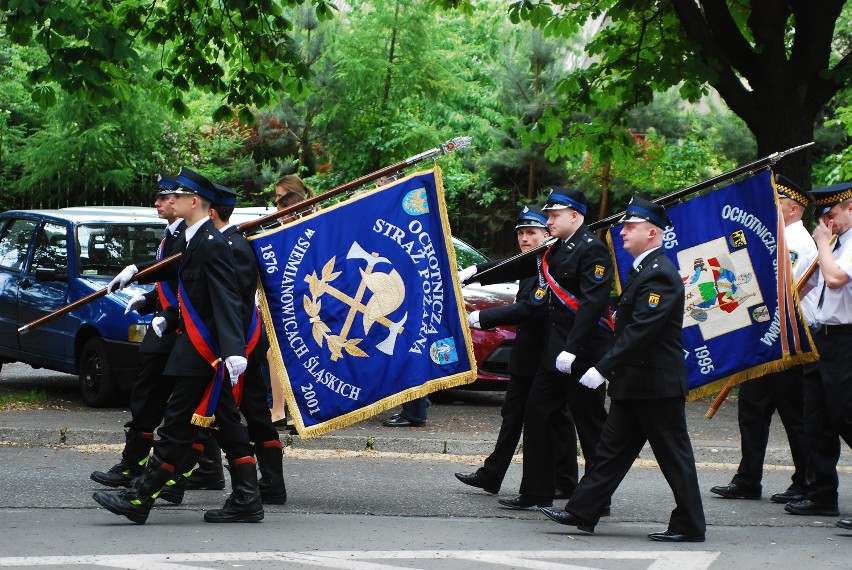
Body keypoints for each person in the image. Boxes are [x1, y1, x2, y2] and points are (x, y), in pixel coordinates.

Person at [92, 167, 262, 524]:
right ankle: (247, 498)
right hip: (197, 347)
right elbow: (177, 269)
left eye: (178, 196)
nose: (170, 200)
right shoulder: (195, 238)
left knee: (176, 425)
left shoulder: (213, 244)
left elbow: (227, 299)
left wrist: (232, 349)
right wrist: (136, 271)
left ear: (194, 201)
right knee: (226, 423)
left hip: (203, 351)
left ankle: (141, 498)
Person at [540, 196, 706, 542]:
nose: (623, 232)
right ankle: (582, 511)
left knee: (674, 457)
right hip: (635, 382)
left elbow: (640, 331)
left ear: (651, 233)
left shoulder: (660, 274)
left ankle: (690, 523)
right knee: (610, 452)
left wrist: (602, 368)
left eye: (631, 227)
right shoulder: (643, 271)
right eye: (625, 226)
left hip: (656, 384)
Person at [468, 187, 612, 510]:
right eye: (548, 215)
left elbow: (591, 305)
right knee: (537, 414)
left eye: (554, 215)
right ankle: (535, 491)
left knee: (590, 428)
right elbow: (518, 266)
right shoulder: (556, 250)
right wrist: (477, 274)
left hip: (582, 354)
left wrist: (573, 349)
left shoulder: (593, 251)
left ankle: (598, 496)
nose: (549, 219)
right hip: (554, 354)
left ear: (575, 216)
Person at [454, 206, 578, 496]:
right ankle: (492, 474)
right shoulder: (532, 264)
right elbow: (505, 267)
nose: (524, 238)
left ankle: (564, 481)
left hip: (545, 357)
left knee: (557, 419)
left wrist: (481, 318)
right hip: (526, 356)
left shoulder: (549, 265)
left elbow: (531, 308)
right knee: (513, 415)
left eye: (531, 233)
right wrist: (471, 273)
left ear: (546, 235)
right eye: (521, 233)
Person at [89, 174, 201, 488]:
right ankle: (191, 469)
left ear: (184, 201)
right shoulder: (172, 235)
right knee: (162, 399)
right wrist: (148, 298)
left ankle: (137, 464)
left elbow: (181, 274)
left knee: (154, 398)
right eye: (161, 197)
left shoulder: (187, 237)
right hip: (166, 323)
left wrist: (138, 271)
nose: (159, 203)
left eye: (166, 198)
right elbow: (173, 280)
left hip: (177, 328)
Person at [710, 174, 816, 503]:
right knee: (752, 410)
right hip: (766, 339)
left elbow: (783, 289)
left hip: (787, 341)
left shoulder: (796, 242)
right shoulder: (778, 238)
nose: (771, 209)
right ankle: (748, 478)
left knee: (793, 415)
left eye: (777, 204)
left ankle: (806, 481)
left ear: (794, 209)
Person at [785, 181, 852, 530]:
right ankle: (823, 494)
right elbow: (810, 285)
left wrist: (822, 243)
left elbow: (836, 278)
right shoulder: (837, 244)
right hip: (821, 338)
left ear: (850, 207)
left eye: (834, 213)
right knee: (817, 420)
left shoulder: (844, 246)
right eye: (824, 216)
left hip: (846, 339)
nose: (828, 221)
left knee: (845, 416)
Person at [268, 174, 313, 429]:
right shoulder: (282, 230)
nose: (276, 206)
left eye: (280, 198)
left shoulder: (309, 226)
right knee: (275, 353)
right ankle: (280, 411)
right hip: (288, 301)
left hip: (305, 303)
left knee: (293, 356)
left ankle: (292, 413)